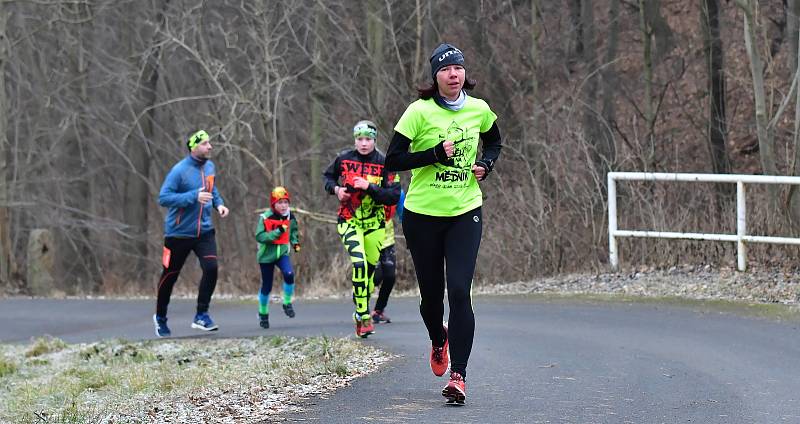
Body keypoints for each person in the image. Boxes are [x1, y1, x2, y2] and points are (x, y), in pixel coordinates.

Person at [385, 43, 502, 405]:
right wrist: (433, 155)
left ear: (465, 73)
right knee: (431, 300)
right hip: (422, 216)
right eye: (446, 69)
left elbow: (495, 140)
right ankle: (439, 338)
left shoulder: (478, 109)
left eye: (458, 68)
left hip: (465, 211)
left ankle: (459, 376)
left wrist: (487, 164)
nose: (454, 74)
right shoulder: (418, 113)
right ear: (435, 77)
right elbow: (392, 160)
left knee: (460, 291)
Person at [323, 120, 401, 338]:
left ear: (375, 140)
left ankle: (360, 310)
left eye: (368, 139)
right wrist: (336, 189)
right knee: (358, 262)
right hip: (349, 220)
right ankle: (363, 315)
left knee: (367, 274)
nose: (364, 143)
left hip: (376, 224)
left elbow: (393, 195)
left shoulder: (386, 163)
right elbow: (327, 177)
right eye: (360, 139)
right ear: (354, 139)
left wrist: (369, 187)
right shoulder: (344, 158)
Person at [153, 129, 230, 338]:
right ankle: (160, 318)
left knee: (211, 268)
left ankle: (201, 315)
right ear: (194, 147)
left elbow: (211, 190)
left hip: (204, 231)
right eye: (205, 143)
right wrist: (192, 196)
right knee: (170, 276)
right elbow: (164, 198)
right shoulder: (180, 171)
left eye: (209, 143)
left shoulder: (210, 166)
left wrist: (219, 205)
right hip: (178, 233)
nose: (210, 146)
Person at [254, 186, 301, 329]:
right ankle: (263, 313)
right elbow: (260, 236)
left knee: (289, 274)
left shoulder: (290, 216)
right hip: (266, 256)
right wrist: (277, 232)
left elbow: (293, 231)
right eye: (279, 203)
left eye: (286, 202)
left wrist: (295, 242)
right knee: (267, 286)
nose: (283, 206)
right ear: (273, 204)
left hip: (282, 253)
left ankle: (287, 302)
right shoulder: (265, 217)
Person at [370, 189, 404, 324]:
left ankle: (378, 310)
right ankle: (362, 309)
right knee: (376, 277)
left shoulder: (397, 192)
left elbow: (404, 214)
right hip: (370, 238)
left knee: (390, 277)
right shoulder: (369, 187)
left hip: (387, 240)